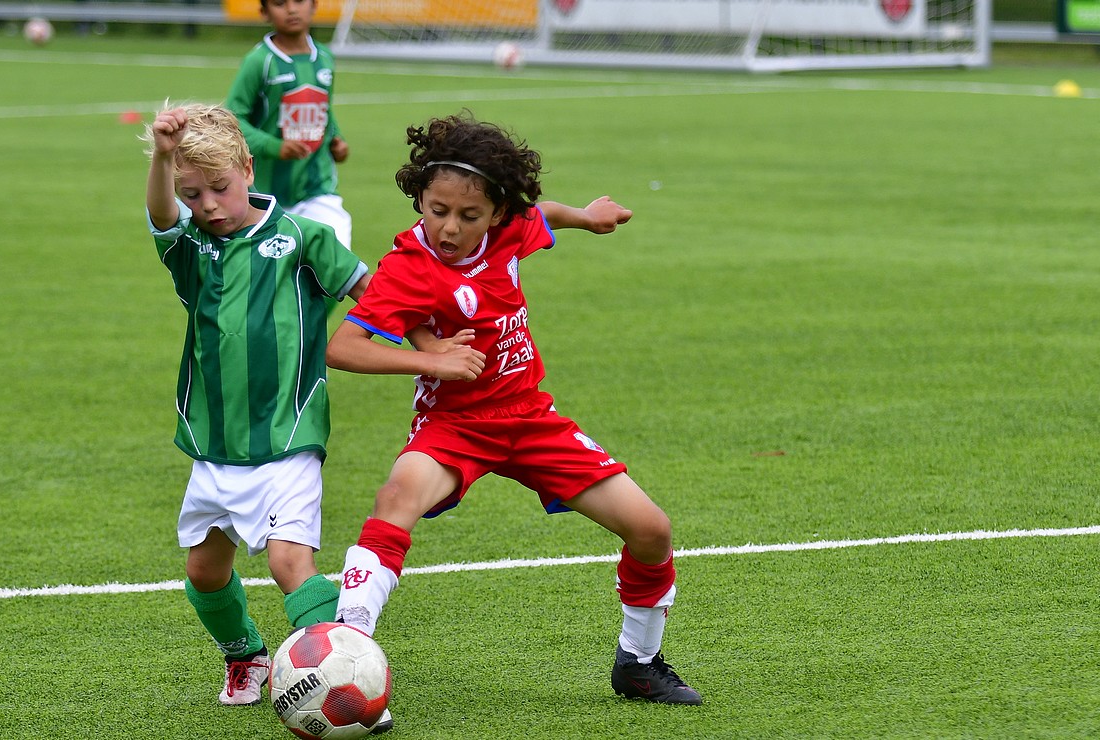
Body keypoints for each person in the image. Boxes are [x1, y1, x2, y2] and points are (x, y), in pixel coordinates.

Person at [325, 113, 705, 708]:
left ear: (497, 213)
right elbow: (342, 348)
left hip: (529, 417)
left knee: (652, 529)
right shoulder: (407, 269)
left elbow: (542, 213)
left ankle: (639, 663)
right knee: (397, 497)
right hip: (455, 427)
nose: (449, 227)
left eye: (468, 216)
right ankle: (344, 649)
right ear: (419, 197)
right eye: (436, 209)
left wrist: (586, 216)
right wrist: (433, 363)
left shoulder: (511, 228)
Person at [143, 102, 372, 708]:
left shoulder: (302, 237)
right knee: (204, 573)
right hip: (215, 443)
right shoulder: (190, 247)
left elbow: (373, 294)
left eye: (219, 187)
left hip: (288, 434)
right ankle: (245, 656)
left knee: (289, 563)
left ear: (247, 169)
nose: (208, 205)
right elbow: (160, 213)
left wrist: (429, 350)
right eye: (193, 194)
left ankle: (352, 680)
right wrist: (164, 157)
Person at [225, 0, 353, 250]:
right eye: (280, 3)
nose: (292, 9)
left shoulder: (325, 58)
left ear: (314, 5)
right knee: (276, 277)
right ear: (264, 12)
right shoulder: (259, 61)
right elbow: (232, 119)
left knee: (339, 262)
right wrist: (275, 146)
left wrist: (337, 139)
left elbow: (323, 108)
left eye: (299, 1)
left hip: (318, 189)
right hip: (266, 195)